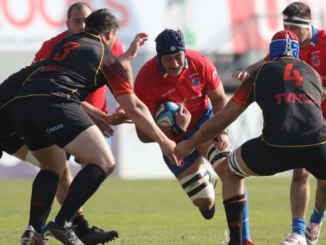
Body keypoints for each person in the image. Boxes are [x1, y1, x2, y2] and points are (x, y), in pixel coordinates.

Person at [15, 8, 178, 245]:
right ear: (109, 33)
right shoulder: (105, 54)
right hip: (55, 105)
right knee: (105, 161)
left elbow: (64, 75)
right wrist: (164, 141)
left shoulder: (65, 43)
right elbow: (133, 106)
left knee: (52, 167)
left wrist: (127, 58)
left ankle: (35, 233)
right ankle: (62, 224)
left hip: (23, 105)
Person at [175, 30, 326, 245]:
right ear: (297, 52)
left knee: (230, 171)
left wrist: (190, 143)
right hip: (319, 144)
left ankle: (237, 241)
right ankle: (308, 228)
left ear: (271, 52)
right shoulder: (313, 73)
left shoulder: (260, 72)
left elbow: (222, 120)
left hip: (276, 146)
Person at [134, 29, 256, 245]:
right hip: (173, 140)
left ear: (184, 52)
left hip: (206, 126)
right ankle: (205, 184)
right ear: (158, 57)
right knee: (205, 204)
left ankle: (242, 239)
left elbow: (219, 100)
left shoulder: (200, 63)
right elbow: (143, 134)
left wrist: (222, 131)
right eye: (167, 59)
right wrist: (178, 131)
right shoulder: (145, 78)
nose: (174, 64)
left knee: (231, 170)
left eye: (178, 57)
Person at [30, 2, 141, 238]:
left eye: (86, 21)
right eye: (76, 21)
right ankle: (70, 227)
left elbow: (124, 66)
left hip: (95, 118)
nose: (82, 25)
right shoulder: (53, 46)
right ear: (67, 23)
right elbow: (50, 87)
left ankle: (66, 225)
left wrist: (123, 99)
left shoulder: (108, 42)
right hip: (63, 113)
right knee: (60, 171)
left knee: (97, 169)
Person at [0, 62, 133, 245]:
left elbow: (66, 96)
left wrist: (96, 117)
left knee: (57, 166)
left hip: (10, 130)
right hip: (8, 126)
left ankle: (54, 230)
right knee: (55, 165)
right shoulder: (63, 66)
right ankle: (45, 230)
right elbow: (61, 96)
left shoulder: (56, 67)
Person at [231, 2, 326, 244]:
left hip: (321, 119)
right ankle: (298, 231)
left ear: (307, 25)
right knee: (300, 171)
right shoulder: (290, 47)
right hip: (306, 121)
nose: (289, 31)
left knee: (324, 184)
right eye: (285, 26)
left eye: (293, 26)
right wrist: (247, 71)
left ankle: (316, 219)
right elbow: (264, 62)